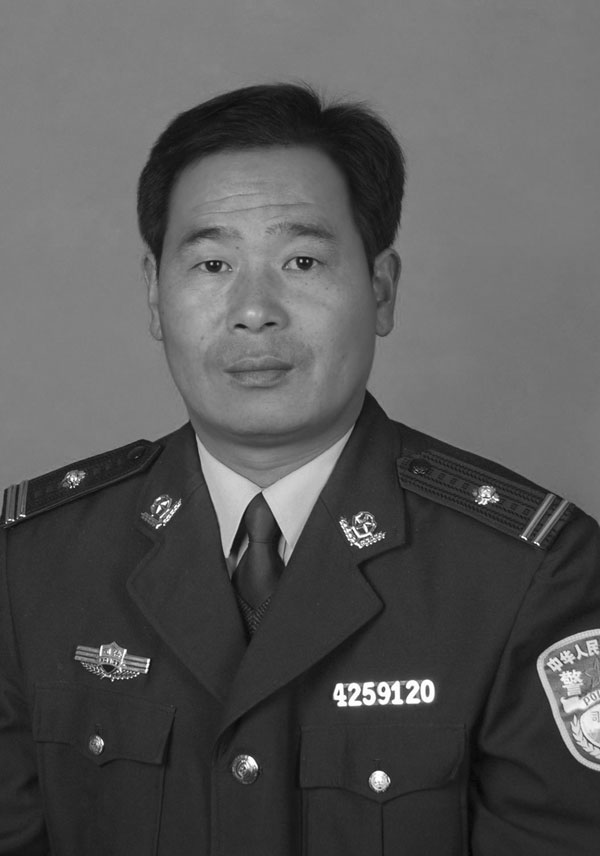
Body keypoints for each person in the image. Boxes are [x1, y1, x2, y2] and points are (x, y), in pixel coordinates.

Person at [1, 83, 599, 856]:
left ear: (381, 290)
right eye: (212, 263)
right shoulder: (30, 567)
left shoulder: (531, 577)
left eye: (302, 260)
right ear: (154, 294)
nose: (255, 309)